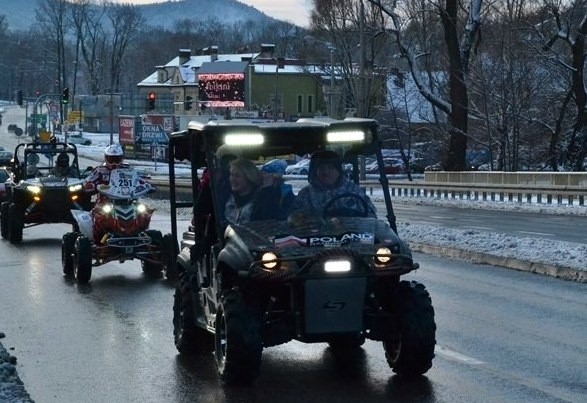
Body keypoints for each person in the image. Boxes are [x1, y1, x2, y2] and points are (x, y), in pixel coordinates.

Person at [290, 150, 377, 217]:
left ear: (338, 170)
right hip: (317, 237)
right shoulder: (306, 195)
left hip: (352, 237)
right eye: (321, 168)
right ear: (314, 171)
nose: (326, 172)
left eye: (330, 167)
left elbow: (371, 217)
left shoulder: (354, 190)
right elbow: (294, 221)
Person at [224, 158, 281, 225]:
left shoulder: (262, 200)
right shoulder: (227, 197)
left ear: (249, 178)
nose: (232, 179)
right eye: (231, 175)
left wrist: (268, 190)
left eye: (237, 176)